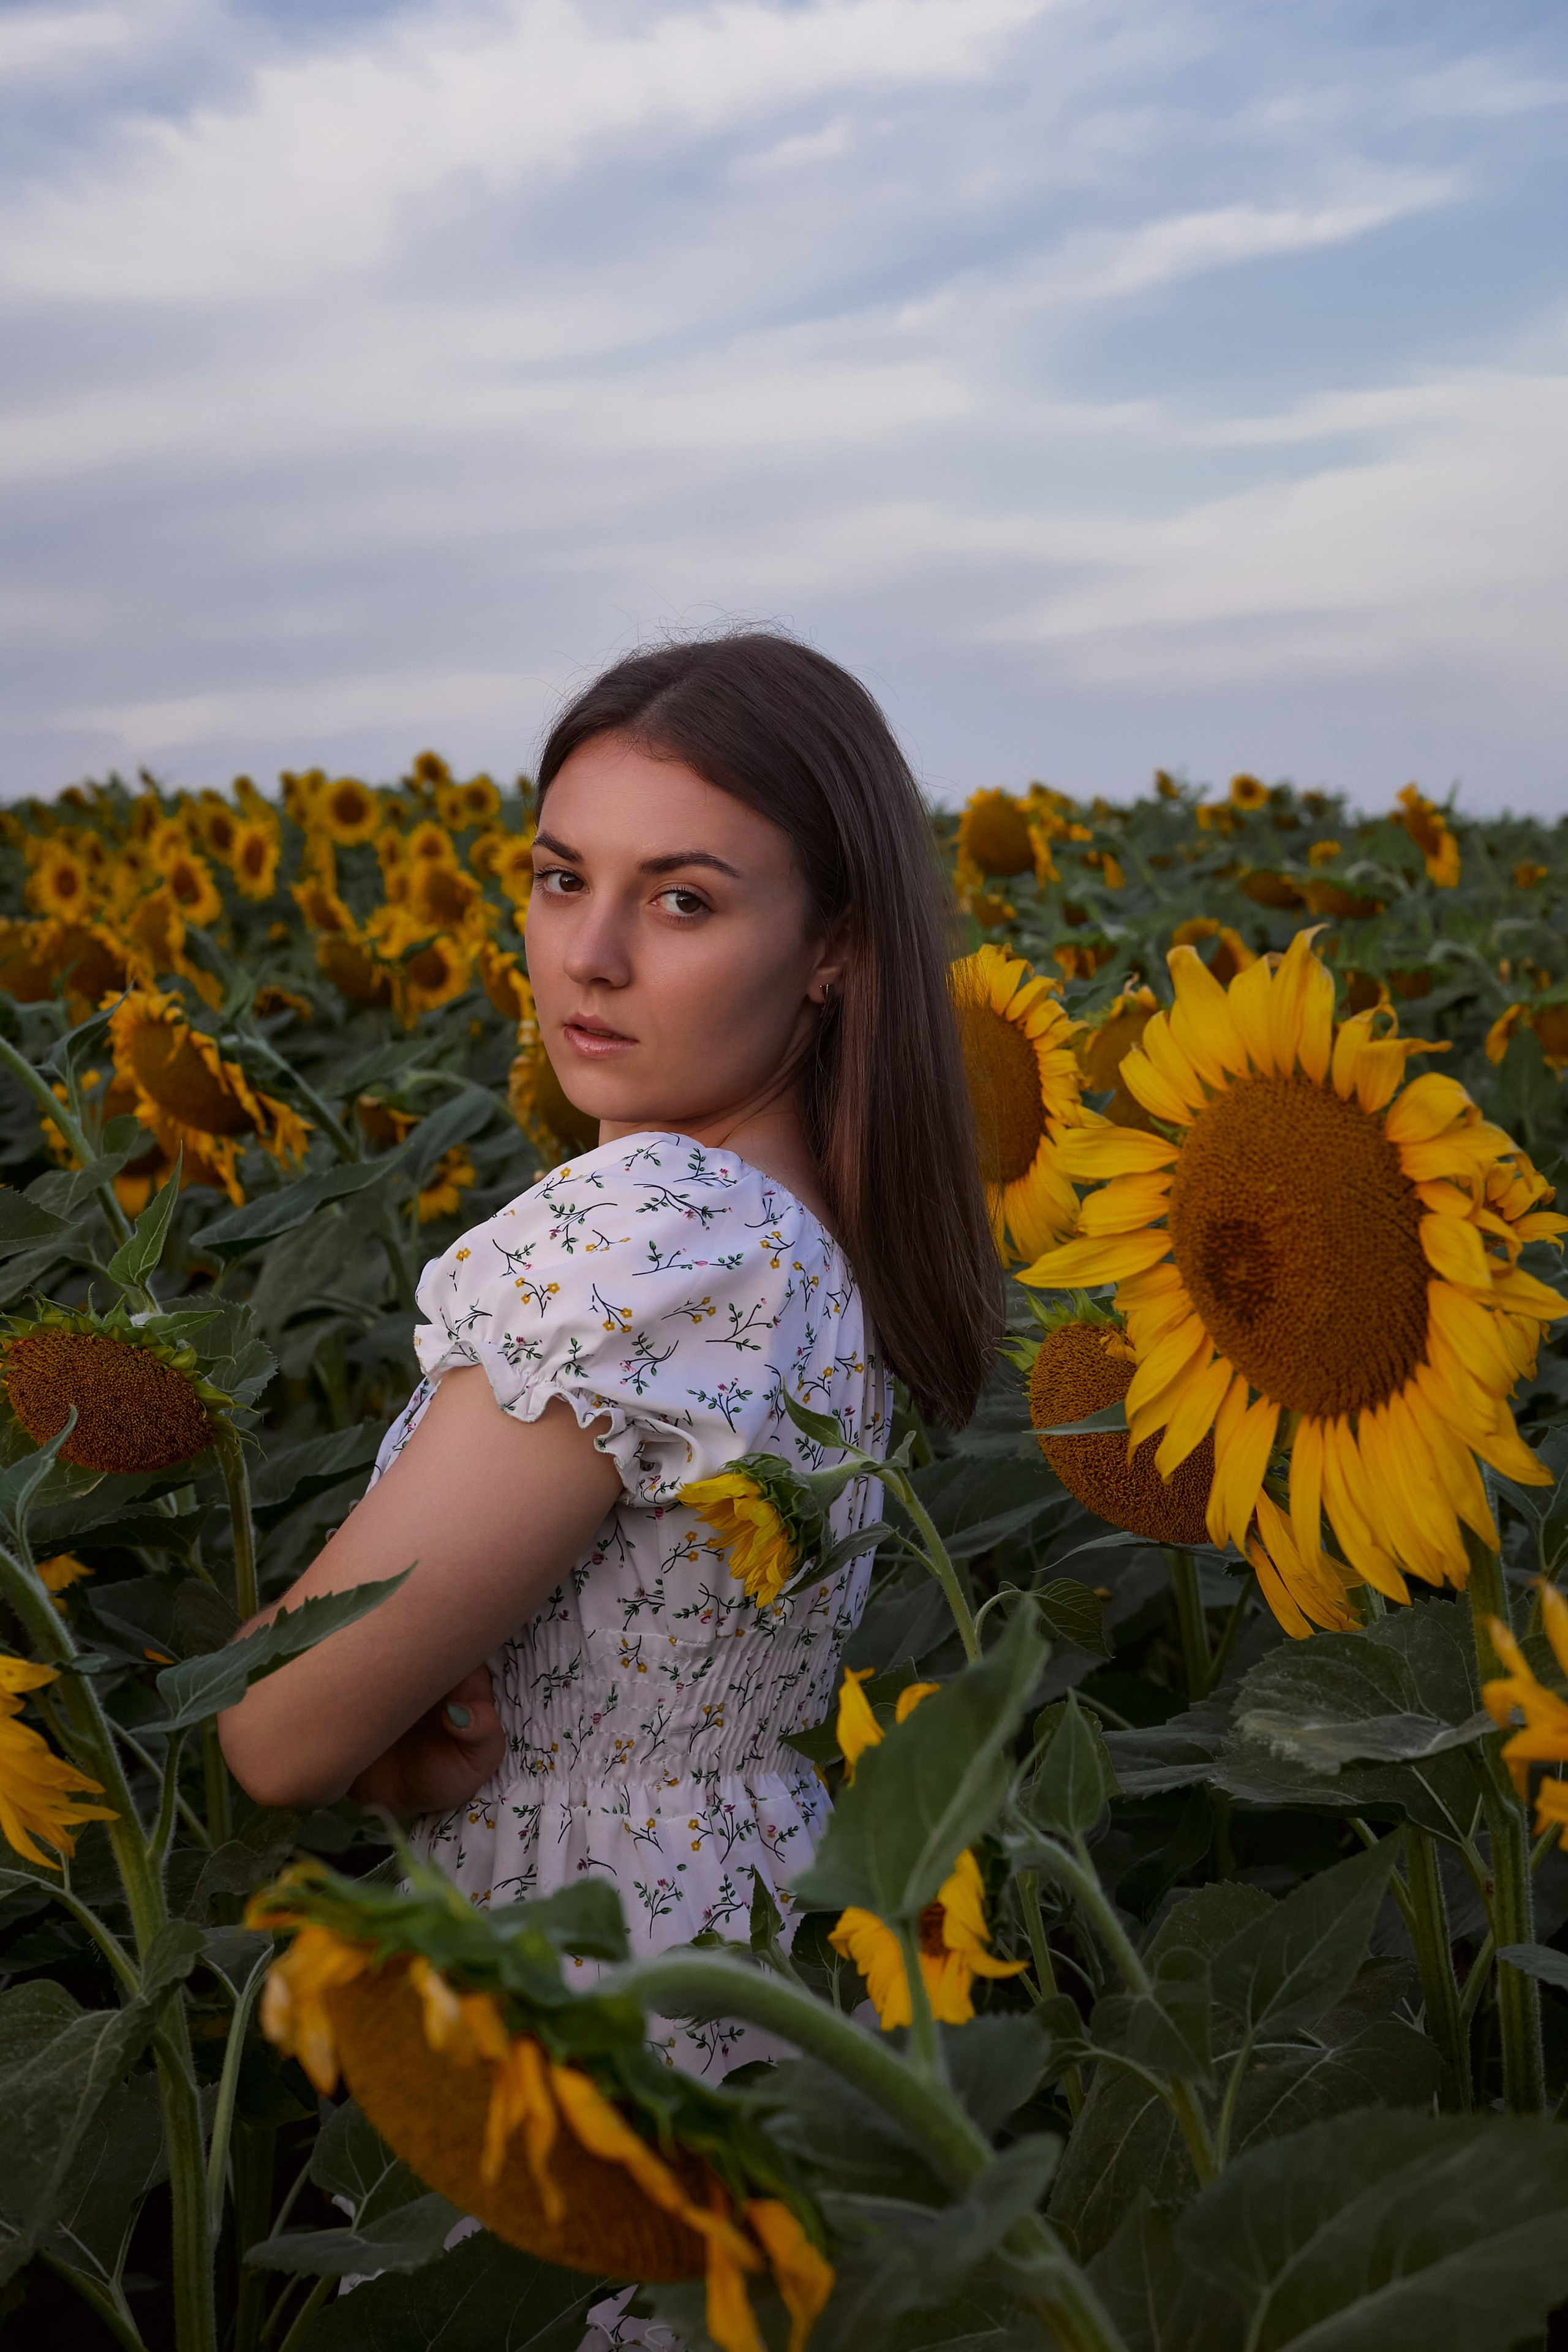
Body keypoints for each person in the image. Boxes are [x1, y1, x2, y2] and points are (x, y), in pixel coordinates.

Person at [219, 630, 1001, 2072]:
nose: (590, 955)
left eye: (682, 900)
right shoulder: (797, 1234)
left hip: (581, 1992)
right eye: (561, 878)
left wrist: (370, 1728)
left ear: (832, 949)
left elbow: (272, 1733)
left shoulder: (651, 1228)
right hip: (753, 1943)